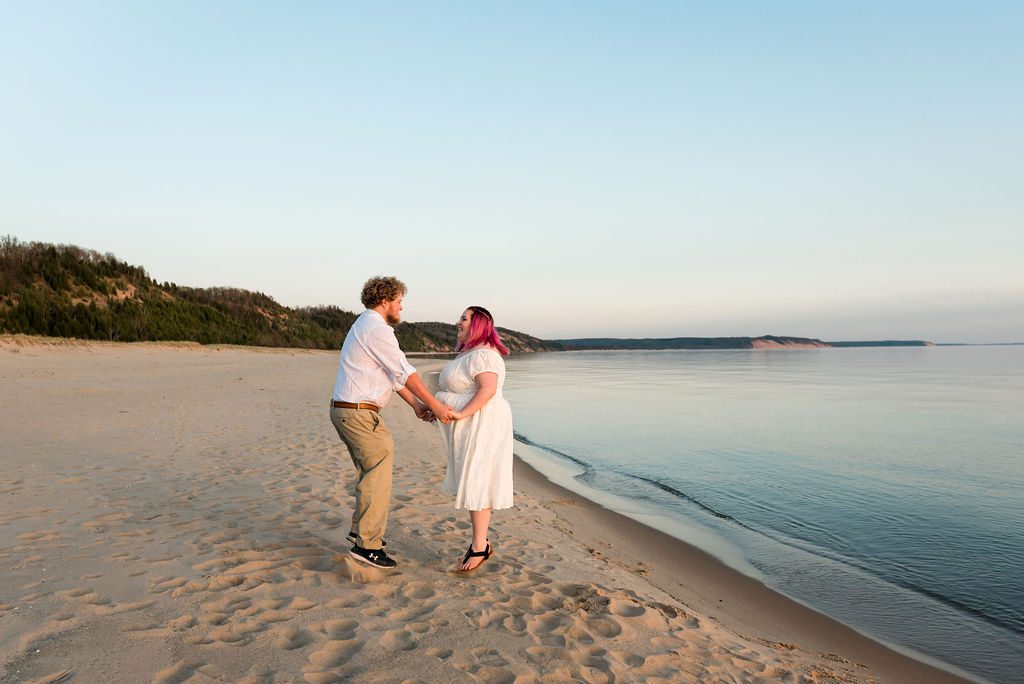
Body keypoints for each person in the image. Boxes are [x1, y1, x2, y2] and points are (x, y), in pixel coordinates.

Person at [330, 276, 455, 569]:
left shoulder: (364, 325)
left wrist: (415, 405)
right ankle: (368, 546)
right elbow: (405, 371)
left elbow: (392, 377)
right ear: (385, 300)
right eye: (399, 301)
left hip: (348, 410)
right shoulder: (377, 329)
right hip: (359, 412)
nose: (402, 307)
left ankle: (360, 531)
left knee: (369, 471)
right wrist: (436, 405)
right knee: (378, 473)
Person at [434, 306, 514, 572]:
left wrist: (460, 413)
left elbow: (488, 389)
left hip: (483, 424)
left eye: (464, 318)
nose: (458, 322)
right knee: (472, 481)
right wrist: (434, 409)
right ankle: (479, 542)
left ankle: (480, 546)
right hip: (470, 425)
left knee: (478, 480)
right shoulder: (468, 354)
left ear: (478, 324)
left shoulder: (485, 355)